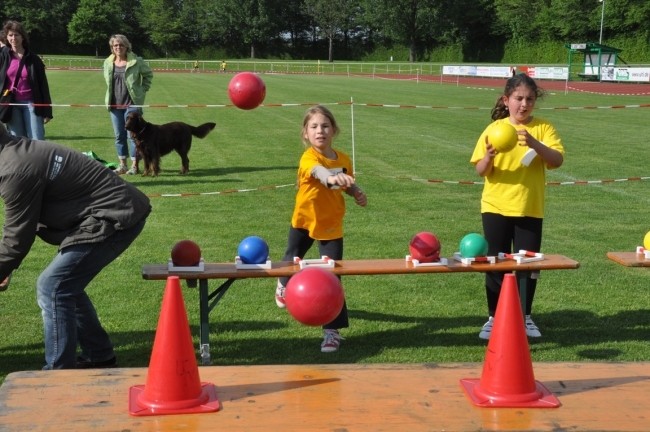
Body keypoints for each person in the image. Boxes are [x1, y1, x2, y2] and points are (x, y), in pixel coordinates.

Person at [0, 122, 151, 369]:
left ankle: (59, 374)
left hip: (114, 217)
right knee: (66, 284)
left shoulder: (13, 170)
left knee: (53, 286)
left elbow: (16, 240)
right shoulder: (15, 153)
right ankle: (98, 354)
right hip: (110, 212)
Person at [470, 74, 565, 340]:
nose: (524, 104)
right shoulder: (494, 129)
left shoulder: (544, 128)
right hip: (495, 206)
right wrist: (487, 157)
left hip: (530, 207)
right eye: (518, 99)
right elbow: (481, 170)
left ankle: (525, 316)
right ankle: (494, 316)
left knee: (528, 266)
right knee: (495, 263)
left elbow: (556, 160)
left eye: (530, 99)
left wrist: (534, 143)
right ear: (506, 99)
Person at [275, 105, 367, 353]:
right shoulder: (309, 158)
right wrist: (332, 179)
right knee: (292, 257)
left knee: (332, 276)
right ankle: (283, 284)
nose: (320, 131)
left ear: (334, 130)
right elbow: (321, 173)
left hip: (331, 224)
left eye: (325, 126)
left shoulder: (344, 159)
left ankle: (332, 332)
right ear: (305, 133)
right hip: (305, 220)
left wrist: (355, 191)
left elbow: (346, 182)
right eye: (314, 126)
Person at [103, 34, 153, 175]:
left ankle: (134, 166)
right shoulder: (108, 62)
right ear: (112, 48)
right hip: (114, 106)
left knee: (134, 137)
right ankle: (122, 165)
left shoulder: (136, 61)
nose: (118, 47)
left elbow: (148, 75)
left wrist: (142, 90)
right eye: (115, 45)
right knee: (119, 136)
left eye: (121, 45)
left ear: (126, 46)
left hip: (132, 105)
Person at [0, 21, 53, 140]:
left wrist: (47, 110)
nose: (14, 38)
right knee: (17, 142)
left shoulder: (34, 59)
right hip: (11, 104)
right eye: (10, 35)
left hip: (32, 104)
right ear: (7, 37)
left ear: (23, 37)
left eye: (17, 35)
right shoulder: (3, 57)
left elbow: (43, 85)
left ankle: (40, 159)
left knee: (37, 139)